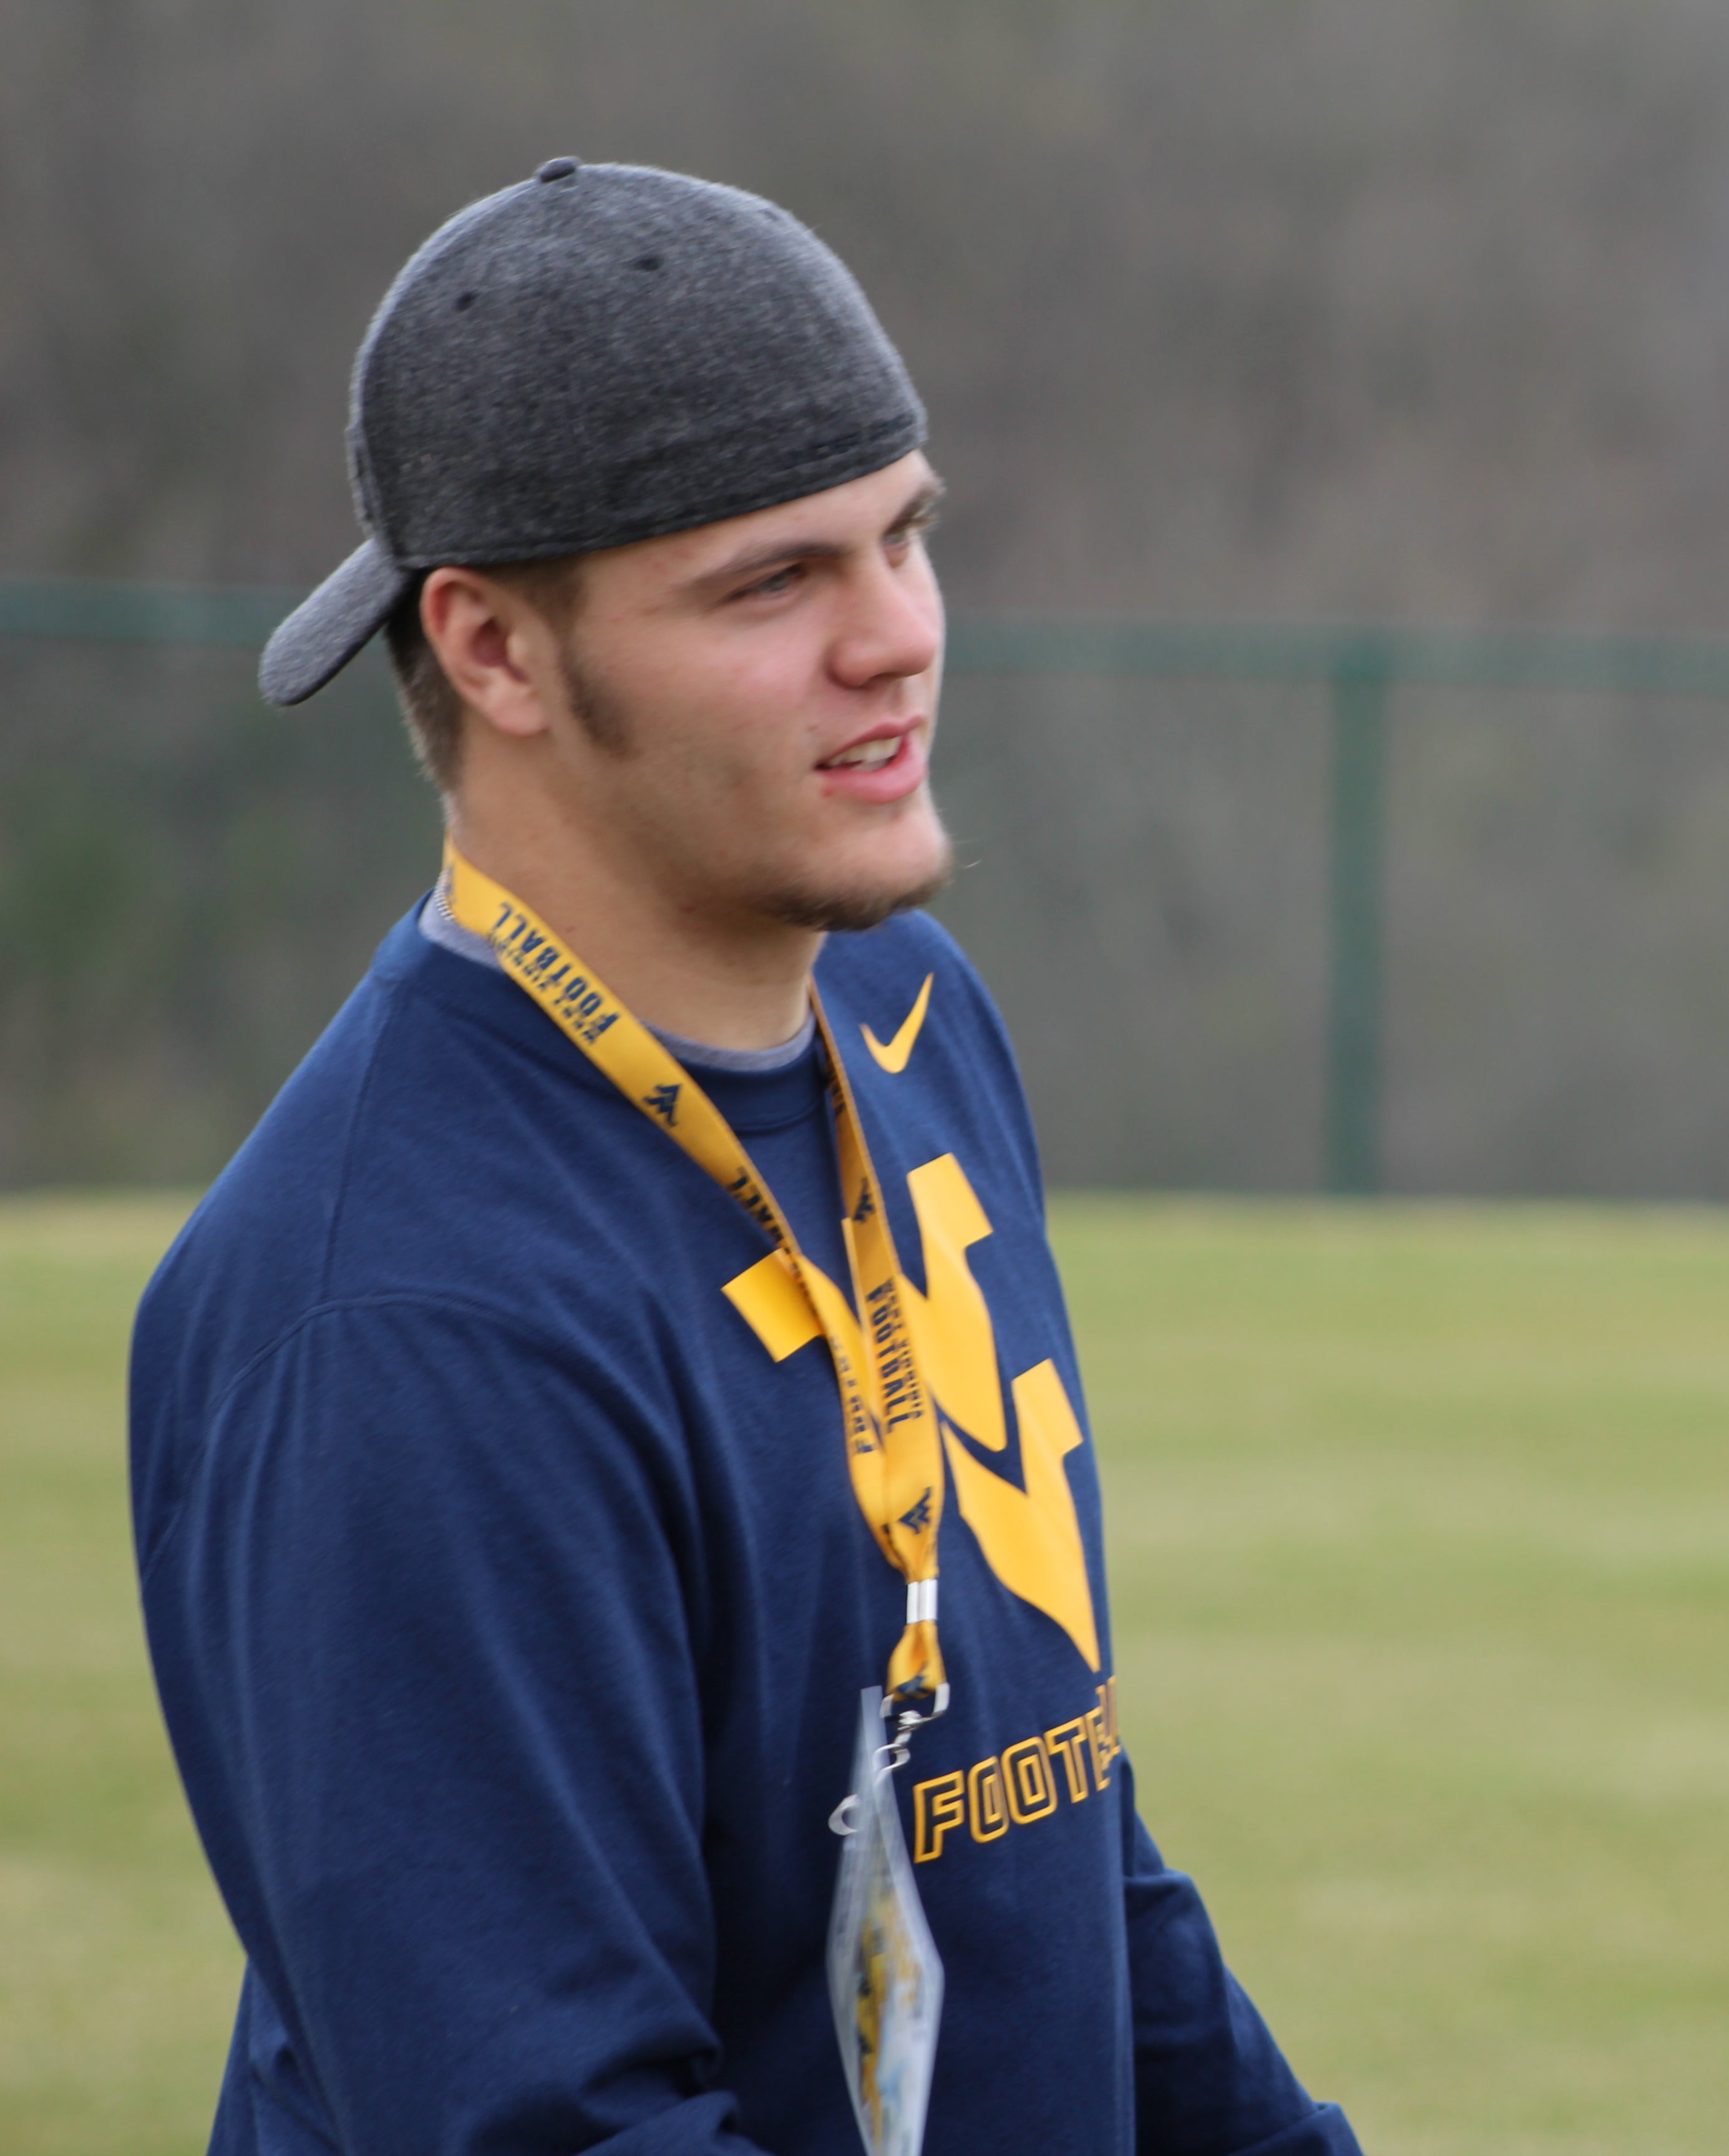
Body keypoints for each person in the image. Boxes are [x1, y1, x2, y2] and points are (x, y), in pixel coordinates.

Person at [130, 160, 1361, 2156]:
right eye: (773, 581)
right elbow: (555, 2124)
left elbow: (1040, 1808)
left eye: (908, 539)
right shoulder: (397, 1317)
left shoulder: (912, 1019)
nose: (897, 641)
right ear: (499, 654)